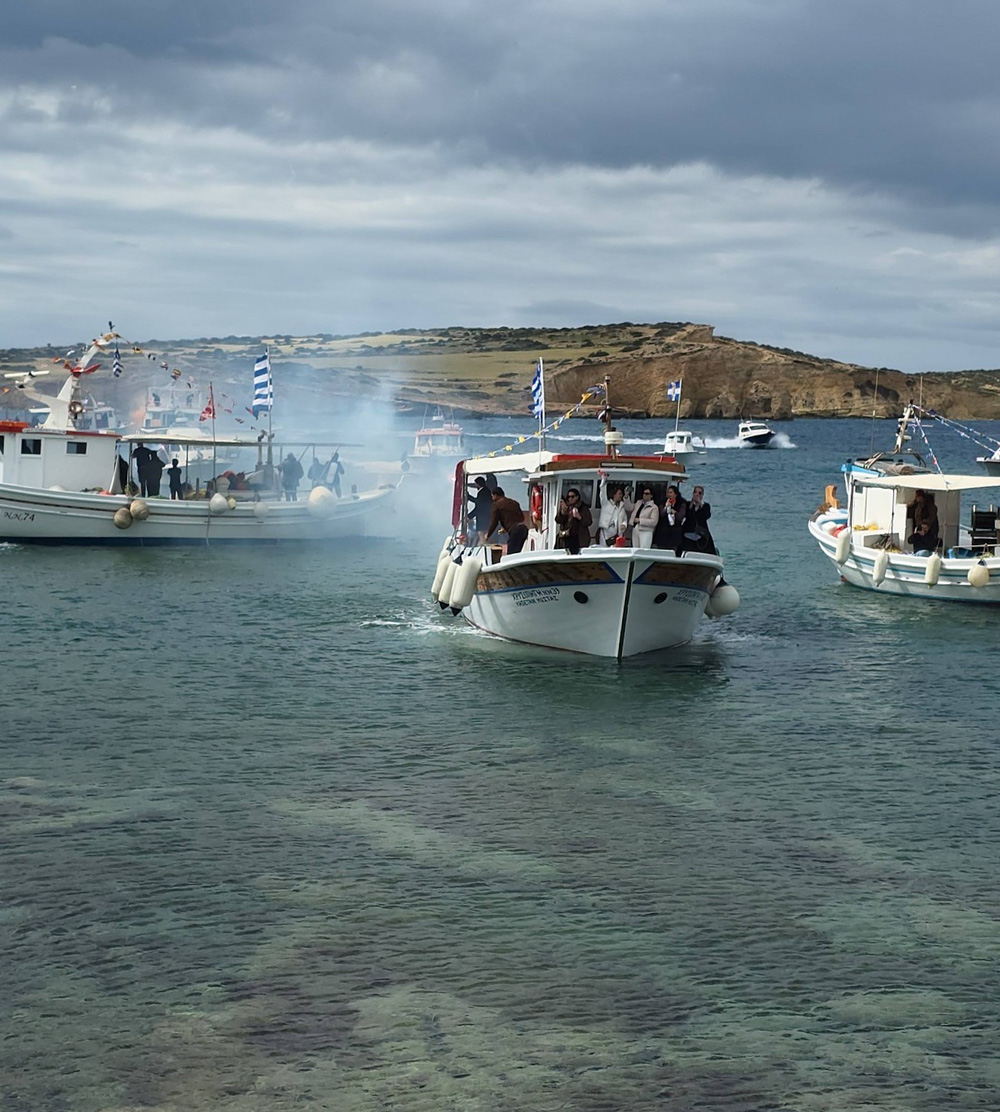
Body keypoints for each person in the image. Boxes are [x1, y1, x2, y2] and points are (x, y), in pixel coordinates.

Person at [485, 486, 528, 554]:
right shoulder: (514, 503)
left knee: (511, 554)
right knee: (517, 553)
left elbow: (494, 522)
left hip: (515, 531)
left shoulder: (497, 505)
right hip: (523, 529)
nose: (492, 498)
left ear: (495, 495)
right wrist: (506, 528)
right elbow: (521, 518)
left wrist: (488, 535)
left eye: (492, 496)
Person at [555, 488, 593, 554]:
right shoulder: (566, 507)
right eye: (568, 497)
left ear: (577, 497)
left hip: (578, 538)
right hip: (565, 538)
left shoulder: (583, 508)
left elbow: (589, 522)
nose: (570, 499)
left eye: (572, 496)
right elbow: (558, 520)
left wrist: (579, 517)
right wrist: (562, 513)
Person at [682, 484, 717, 553]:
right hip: (688, 532)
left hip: (701, 533)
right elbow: (687, 516)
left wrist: (700, 505)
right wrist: (692, 505)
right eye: (695, 492)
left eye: (699, 493)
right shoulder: (688, 505)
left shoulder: (705, 506)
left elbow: (706, 516)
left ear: (702, 495)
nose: (697, 494)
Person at [653, 484, 687, 554]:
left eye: (671, 492)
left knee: (672, 551)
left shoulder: (681, 503)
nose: (669, 494)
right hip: (663, 531)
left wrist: (674, 512)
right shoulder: (663, 502)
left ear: (675, 494)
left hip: (674, 533)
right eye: (668, 492)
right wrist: (666, 507)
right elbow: (661, 514)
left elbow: (680, 516)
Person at [598, 478, 630, 546]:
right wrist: (603, 480)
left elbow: (624, 519)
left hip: (618, 535)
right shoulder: (606, 503)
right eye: (619, 494)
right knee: (604, 552)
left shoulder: (622, 506)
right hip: (606, 533)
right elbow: (602, 493)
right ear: (614, 494)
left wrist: (624, 525)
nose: (621, 495)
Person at [907, 488, 939, 553]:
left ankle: (928, 550)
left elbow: (932, 516)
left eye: (918, 497)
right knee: (917, 538)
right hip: (920, 526)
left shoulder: (930, 505)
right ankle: (918, 550)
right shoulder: (918, 504)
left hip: (930, 527)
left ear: (921, 497)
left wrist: (925, 524)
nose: (917, 499)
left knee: (928, 540)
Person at [468, 476, 494, 542]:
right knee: (484, 535)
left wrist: (469, 516)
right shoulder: (485, 491)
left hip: (483, 518)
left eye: (475, 484)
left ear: (478, 484)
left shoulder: (483, 492)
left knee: (482, 535)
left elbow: (479, 505)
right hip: (486, 517)